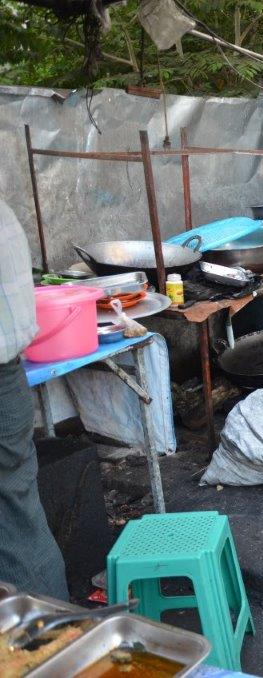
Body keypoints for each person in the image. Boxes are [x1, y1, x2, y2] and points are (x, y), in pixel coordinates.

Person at [0, 199, 69, 600]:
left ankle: (42, 631)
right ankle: (55, 625)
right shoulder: (4, 213)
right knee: (18, 515)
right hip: (8, 378)